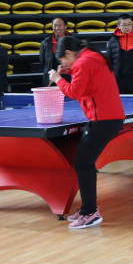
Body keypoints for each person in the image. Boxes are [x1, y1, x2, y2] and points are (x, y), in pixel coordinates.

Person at [48, 36, 125, 229]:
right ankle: (86, 210)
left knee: (83, 163)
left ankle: (90, 212)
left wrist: (58, 79)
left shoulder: (84, 62)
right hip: (108, 117)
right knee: (84, 162)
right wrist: (68, 70)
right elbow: (85, 77)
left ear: (69, 53)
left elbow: (74, 91)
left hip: (104, 119)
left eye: (63, 60)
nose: (64, 63)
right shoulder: (90, 57)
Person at [106, 13, 133, 93]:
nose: (127, 27)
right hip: (118, 80)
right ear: (118, 26)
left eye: (129, 24)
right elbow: (108, 62)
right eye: (124, 25)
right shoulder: (113, 40)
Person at [39, 17, 70, 86]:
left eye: (60, 25)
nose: (57, 28)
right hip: (50, 78)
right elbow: (42, 60)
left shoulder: (72, 41)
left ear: (65, 26)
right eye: (55, 25)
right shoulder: (45, 42)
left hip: (68, 78)